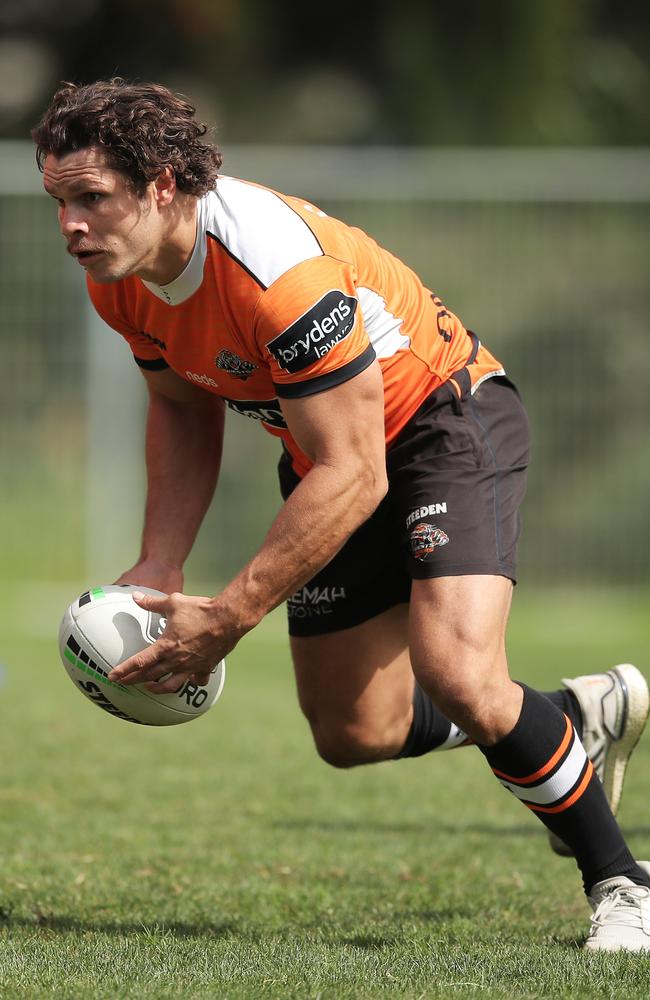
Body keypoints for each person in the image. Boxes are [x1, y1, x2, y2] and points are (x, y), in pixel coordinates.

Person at [32, 79, 650, 951]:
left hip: (442, 422)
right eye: (59, 201)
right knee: (355, 732)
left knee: (458, 673)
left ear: (162, 184)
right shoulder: (121, 280)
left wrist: (231, 615)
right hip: (333, 456)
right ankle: (567, 717)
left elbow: (356, 475)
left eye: (90, 198)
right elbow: (181, 407)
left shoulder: (277, 273)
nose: (71, 226)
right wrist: (160, 563)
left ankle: (623, 883)